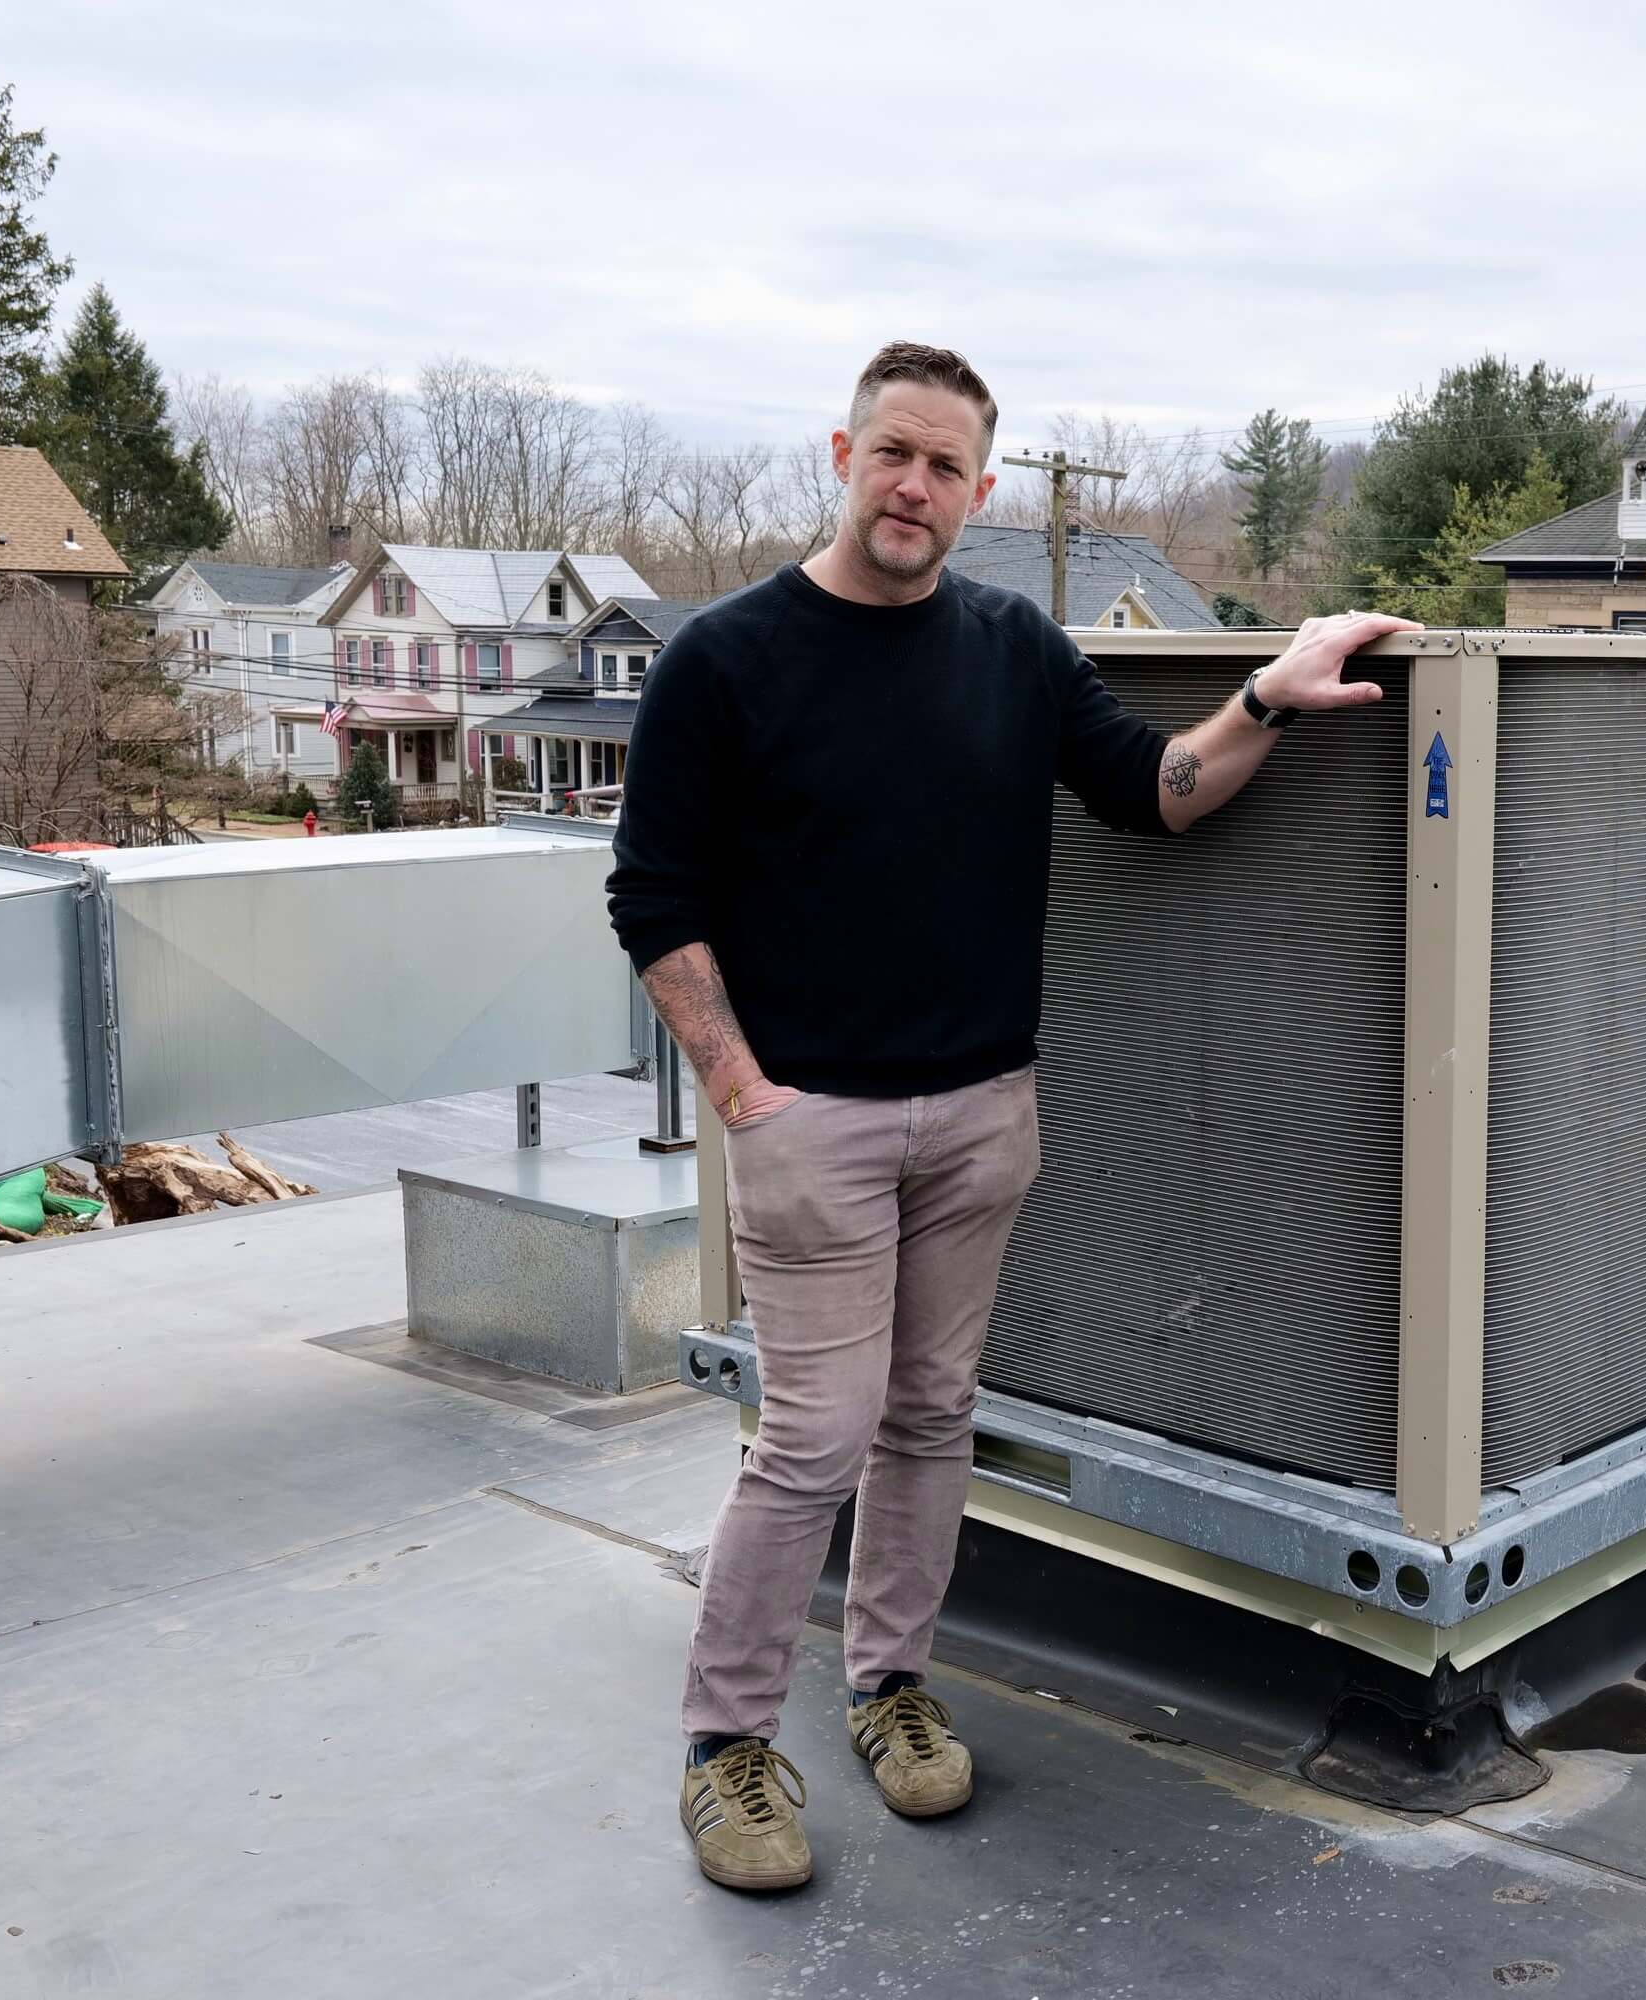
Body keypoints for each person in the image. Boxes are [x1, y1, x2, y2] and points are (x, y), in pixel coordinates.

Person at [606, 340, 1410, 1893]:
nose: (916, 487)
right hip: (813, 1126)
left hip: (981, 1116)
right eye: (892, 454)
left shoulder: (1012, 648)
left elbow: (1151, 788)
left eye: (947, 466)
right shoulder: (727, 660)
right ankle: (725, 1749)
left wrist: (1269, 692)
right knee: (815, 1441)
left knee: (928, 1420)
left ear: (980, 489)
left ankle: (890, 1686)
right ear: (840, 458)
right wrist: (745, 1098)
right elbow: (654, 898)